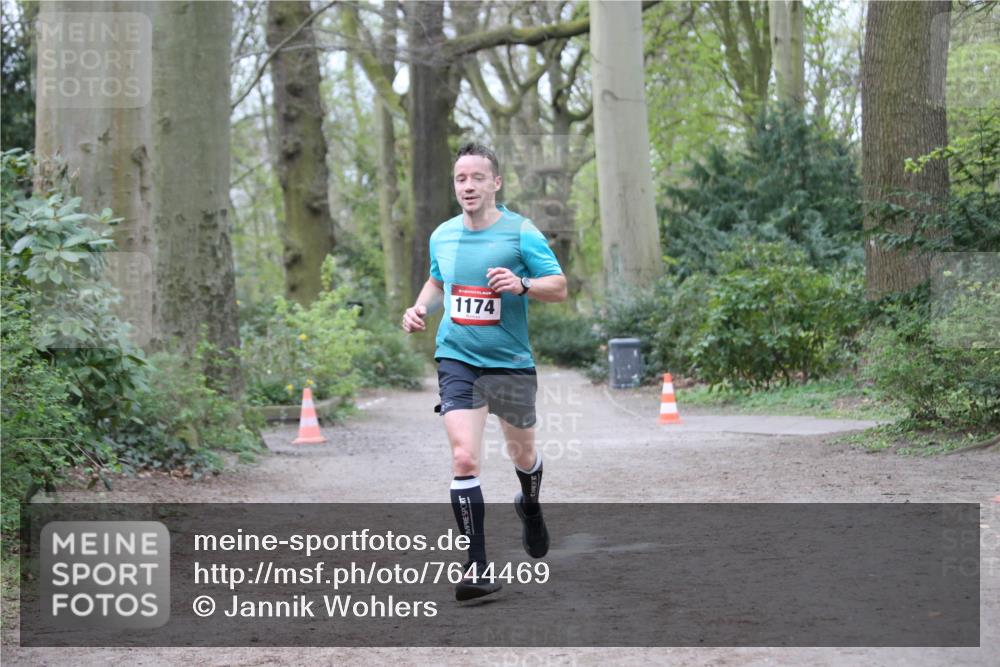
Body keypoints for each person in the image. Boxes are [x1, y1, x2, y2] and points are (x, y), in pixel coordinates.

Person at [402, 142, 568, 601]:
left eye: (478, 177)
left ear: (495, 183)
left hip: (510, 363)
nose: (468, 185)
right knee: (464, 458)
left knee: (522, 456)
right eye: (461, 178)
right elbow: (438, 280)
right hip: (457, 357)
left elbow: (559, 287)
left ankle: (530, 504)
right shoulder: (443, 235)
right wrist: (419, 308)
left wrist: (523, 284)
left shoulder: (521, 233)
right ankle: (476, 568)